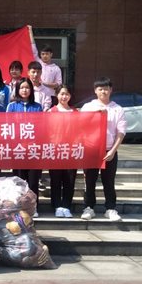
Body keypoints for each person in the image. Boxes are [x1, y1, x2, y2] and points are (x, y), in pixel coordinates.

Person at [80, 77, 127, 222]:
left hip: (109, 150)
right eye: (100, 89)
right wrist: (94, 115)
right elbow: (81, 127)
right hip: (91, 150)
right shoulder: (88, 107)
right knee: (90, 181)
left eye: (106, 89)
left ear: (111, 90)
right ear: (95, 90)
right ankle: (89, 207)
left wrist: (113, 151)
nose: (103, 92)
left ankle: (110, 208)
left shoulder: (117, 109)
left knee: (109, 181)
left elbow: (121, 132)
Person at [6, 78, 43, 216]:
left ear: (31, 90)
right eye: (22, 88)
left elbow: (41, 127)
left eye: (27, 87)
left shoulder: (37, 107)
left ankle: (33, 207)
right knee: (19, 180)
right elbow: (7, 127)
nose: (24, 90)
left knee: (33, 181)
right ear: (17, 90)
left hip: (33, 149)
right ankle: (19, 207)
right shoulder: (12, 106)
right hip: (18, 149)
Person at [48, 85, 77, 218]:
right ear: (57, 95)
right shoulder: (51, 112)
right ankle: (57, 206)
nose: (64, 97)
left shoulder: (75, 112)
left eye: (67, 94)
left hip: (72, 151)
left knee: (69, 180)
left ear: (70, 96)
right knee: (56, 179)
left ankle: (66, 206)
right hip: (55, 150)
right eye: (62, 94)